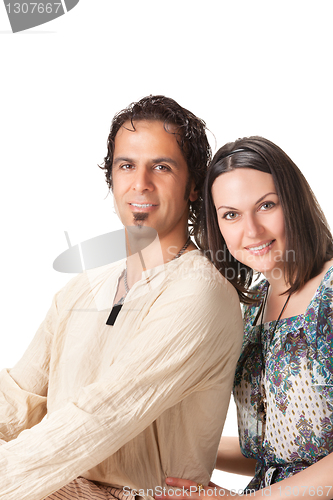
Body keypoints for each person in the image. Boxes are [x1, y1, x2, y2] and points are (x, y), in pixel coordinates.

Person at [0, 96, 244, 500]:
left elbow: (104, 414)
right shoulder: (81, 290)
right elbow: (17, 398)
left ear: (193, 187)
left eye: (161, 167)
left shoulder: (202, 293)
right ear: (111, 178)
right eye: (126, 165)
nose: (140, 183)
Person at [158, 137, 333, 498]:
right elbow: (278, 450)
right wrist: (169, 452)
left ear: (295, 202)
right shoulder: (254, 303)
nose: (251, 231)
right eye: (231, 215)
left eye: (266, 205)